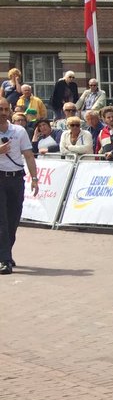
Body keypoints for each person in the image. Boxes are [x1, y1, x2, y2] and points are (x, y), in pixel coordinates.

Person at [0, 98, 39, 274]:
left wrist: (35, 178)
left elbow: (29, 156)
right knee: (1, 221)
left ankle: (5, 252)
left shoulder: (19, 131)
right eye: (0, 109)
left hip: (16, 179)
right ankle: (5, 259)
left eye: (5, 109)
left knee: (14, 219)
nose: (2, 112)